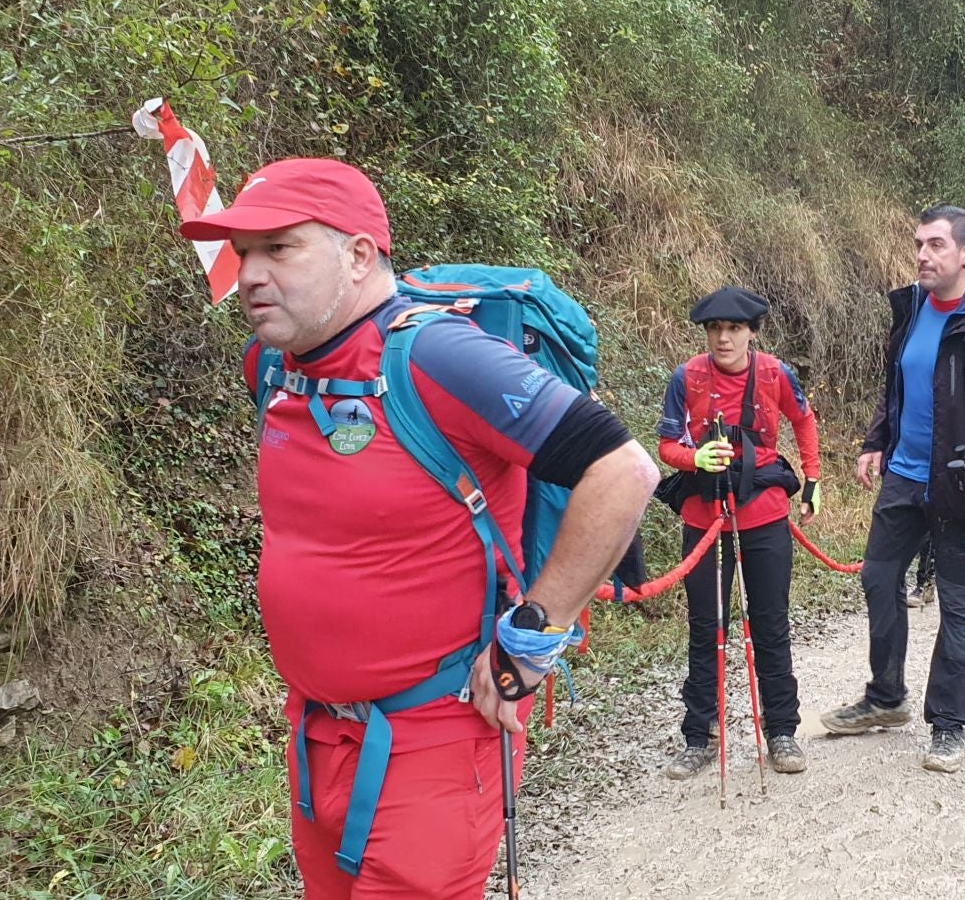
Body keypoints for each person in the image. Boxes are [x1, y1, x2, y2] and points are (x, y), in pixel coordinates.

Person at [180, 158, 656, 898]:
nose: (250, 275)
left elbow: (623, 471)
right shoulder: (274, 369)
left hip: (435, 740)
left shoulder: (438, 356)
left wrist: (535, 630)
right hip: (314, 736)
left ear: (358, 255)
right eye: (244, 253)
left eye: (280, 248)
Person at [827, 205, 965, 774]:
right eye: (920, 244)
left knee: (958, 602)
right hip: (904, 476)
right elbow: (897, 386)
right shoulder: (913, 308)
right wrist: (876, 440)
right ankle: (886, 696)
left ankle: (948, 723)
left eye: (936, 245)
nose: (923, 255)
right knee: (878, 579)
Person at [654, 286, 821, 781]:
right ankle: (699, 736)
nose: (723, 338)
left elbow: (803, 420)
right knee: (706, 626)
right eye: (714, 329)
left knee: (770, 622)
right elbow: (666, 444)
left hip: (764, 513)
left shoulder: (774, 373)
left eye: (734, 329)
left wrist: (812, 481)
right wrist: (695, 457)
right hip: (704, 516)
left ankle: (782, 731)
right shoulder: (686, 377)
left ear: (751, 333)